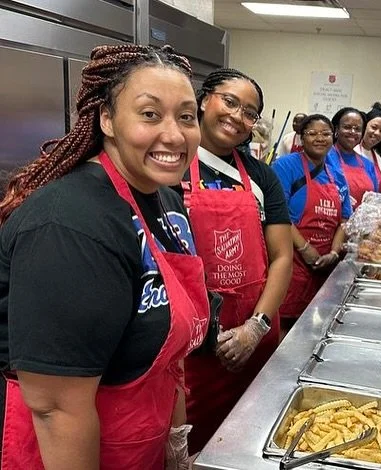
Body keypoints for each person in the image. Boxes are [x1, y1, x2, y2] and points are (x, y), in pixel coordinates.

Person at [0, 44, 209, 469]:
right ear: (107, 119)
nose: (174, 134)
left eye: (186, 117)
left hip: (138, 440)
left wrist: (175, 450)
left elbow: (170, 357)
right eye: (150, 114)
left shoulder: (165, 199)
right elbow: (56, 410)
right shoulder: (69, 224)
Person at [181, 68, 292, 454]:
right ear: (203, 100)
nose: (237, 117)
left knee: (251, 444)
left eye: (249, 112)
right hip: (192, 351)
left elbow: (281, 257)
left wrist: (255, 328)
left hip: (253, 341)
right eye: (229, 102)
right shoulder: (169, 166)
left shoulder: (262, 176)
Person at [272, 114, 352, 330]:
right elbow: (278, 214)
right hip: (292, 262)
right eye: (312, 133)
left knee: (316, 328)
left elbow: (345, 219)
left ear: (333, 137)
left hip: (324, 267)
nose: (320, 138)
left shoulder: (336, 175)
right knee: (285, 327)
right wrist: (305, 249)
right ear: (301, 137)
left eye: (325, 134)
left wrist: (334, 253)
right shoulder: (285, 166)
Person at [327, 107, 379, 210]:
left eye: (358, 129)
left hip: (360, 223)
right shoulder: (324, 158)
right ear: (336, 129)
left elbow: (374, 202)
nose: (352, 132)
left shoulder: (368, 166)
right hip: (329, 221)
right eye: (347, 127)